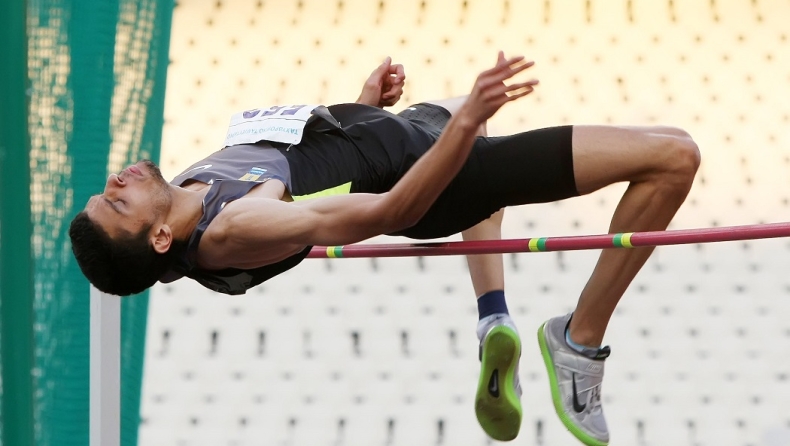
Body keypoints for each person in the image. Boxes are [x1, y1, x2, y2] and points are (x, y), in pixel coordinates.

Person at [69, 52, 700, 445]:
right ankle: (579, 341)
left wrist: (361, 106)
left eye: (106, 191)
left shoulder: (184, 190)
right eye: (116, 202)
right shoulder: (235, 228)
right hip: (442, 174)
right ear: (157, 238)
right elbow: (391, 210)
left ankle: (492, 317)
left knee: (646, 140)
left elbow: (308, 162)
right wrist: (462, 128)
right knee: (675, 156)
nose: (116, 182)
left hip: (401, 134)